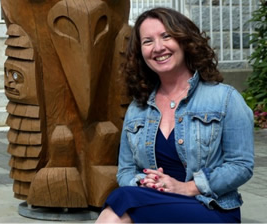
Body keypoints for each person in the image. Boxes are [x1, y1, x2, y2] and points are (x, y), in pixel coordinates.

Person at [95, 7, 254, 223]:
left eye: (166, 36)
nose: (158, 48)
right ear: (140, 52)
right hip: (152, 202)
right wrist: (149, 184)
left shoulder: (224, 98)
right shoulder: (137, 108)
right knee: (122, 205)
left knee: (121, 202)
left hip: (209, 207)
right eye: (147, 41)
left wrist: (186, 187)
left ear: (184, 41)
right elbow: (125, 171)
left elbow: (241, 166)